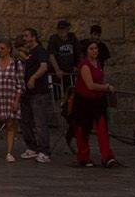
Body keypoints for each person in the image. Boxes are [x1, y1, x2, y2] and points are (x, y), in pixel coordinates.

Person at [69, 39, 117, 167]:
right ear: (86, 51)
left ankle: (107, 156)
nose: (94, 51)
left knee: (102, 128)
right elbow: (90, 85)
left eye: (96, 48)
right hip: (84, 101)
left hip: (98, 101)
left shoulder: (98, 63)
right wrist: (106, 87)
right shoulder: (85, 65)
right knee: (83, 130)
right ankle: (84, 157)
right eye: (91, 49)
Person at [0, 39, 24, 162]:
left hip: (10, 97)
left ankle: (9, 152)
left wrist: (17, 101)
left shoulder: (16, 64)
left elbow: (20, 84)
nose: (0, 51)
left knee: (10, 125)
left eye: (2, 48)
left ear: (9, 49)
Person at [19, 28, 53, 163]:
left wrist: (33, 78)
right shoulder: (30, 53)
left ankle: (45, 151)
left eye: (26, 36)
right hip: (28, 93)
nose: (24, 38)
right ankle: (32, 147)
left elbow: (44, 66)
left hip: (38, 93)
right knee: (26, 121)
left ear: (33, 37)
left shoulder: (40, 51)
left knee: (40, 122)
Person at [47, 19, 81, 112]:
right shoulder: (54, 39)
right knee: (59, 96)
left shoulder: (72, 38)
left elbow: (78, 53)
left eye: (64, 29)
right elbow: (51, 55)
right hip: (59, 74)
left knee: (71, 94)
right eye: (60, 29)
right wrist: (57, 70)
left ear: (68, 29)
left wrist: (77, 66)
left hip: (70, 73)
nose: (62, 32)